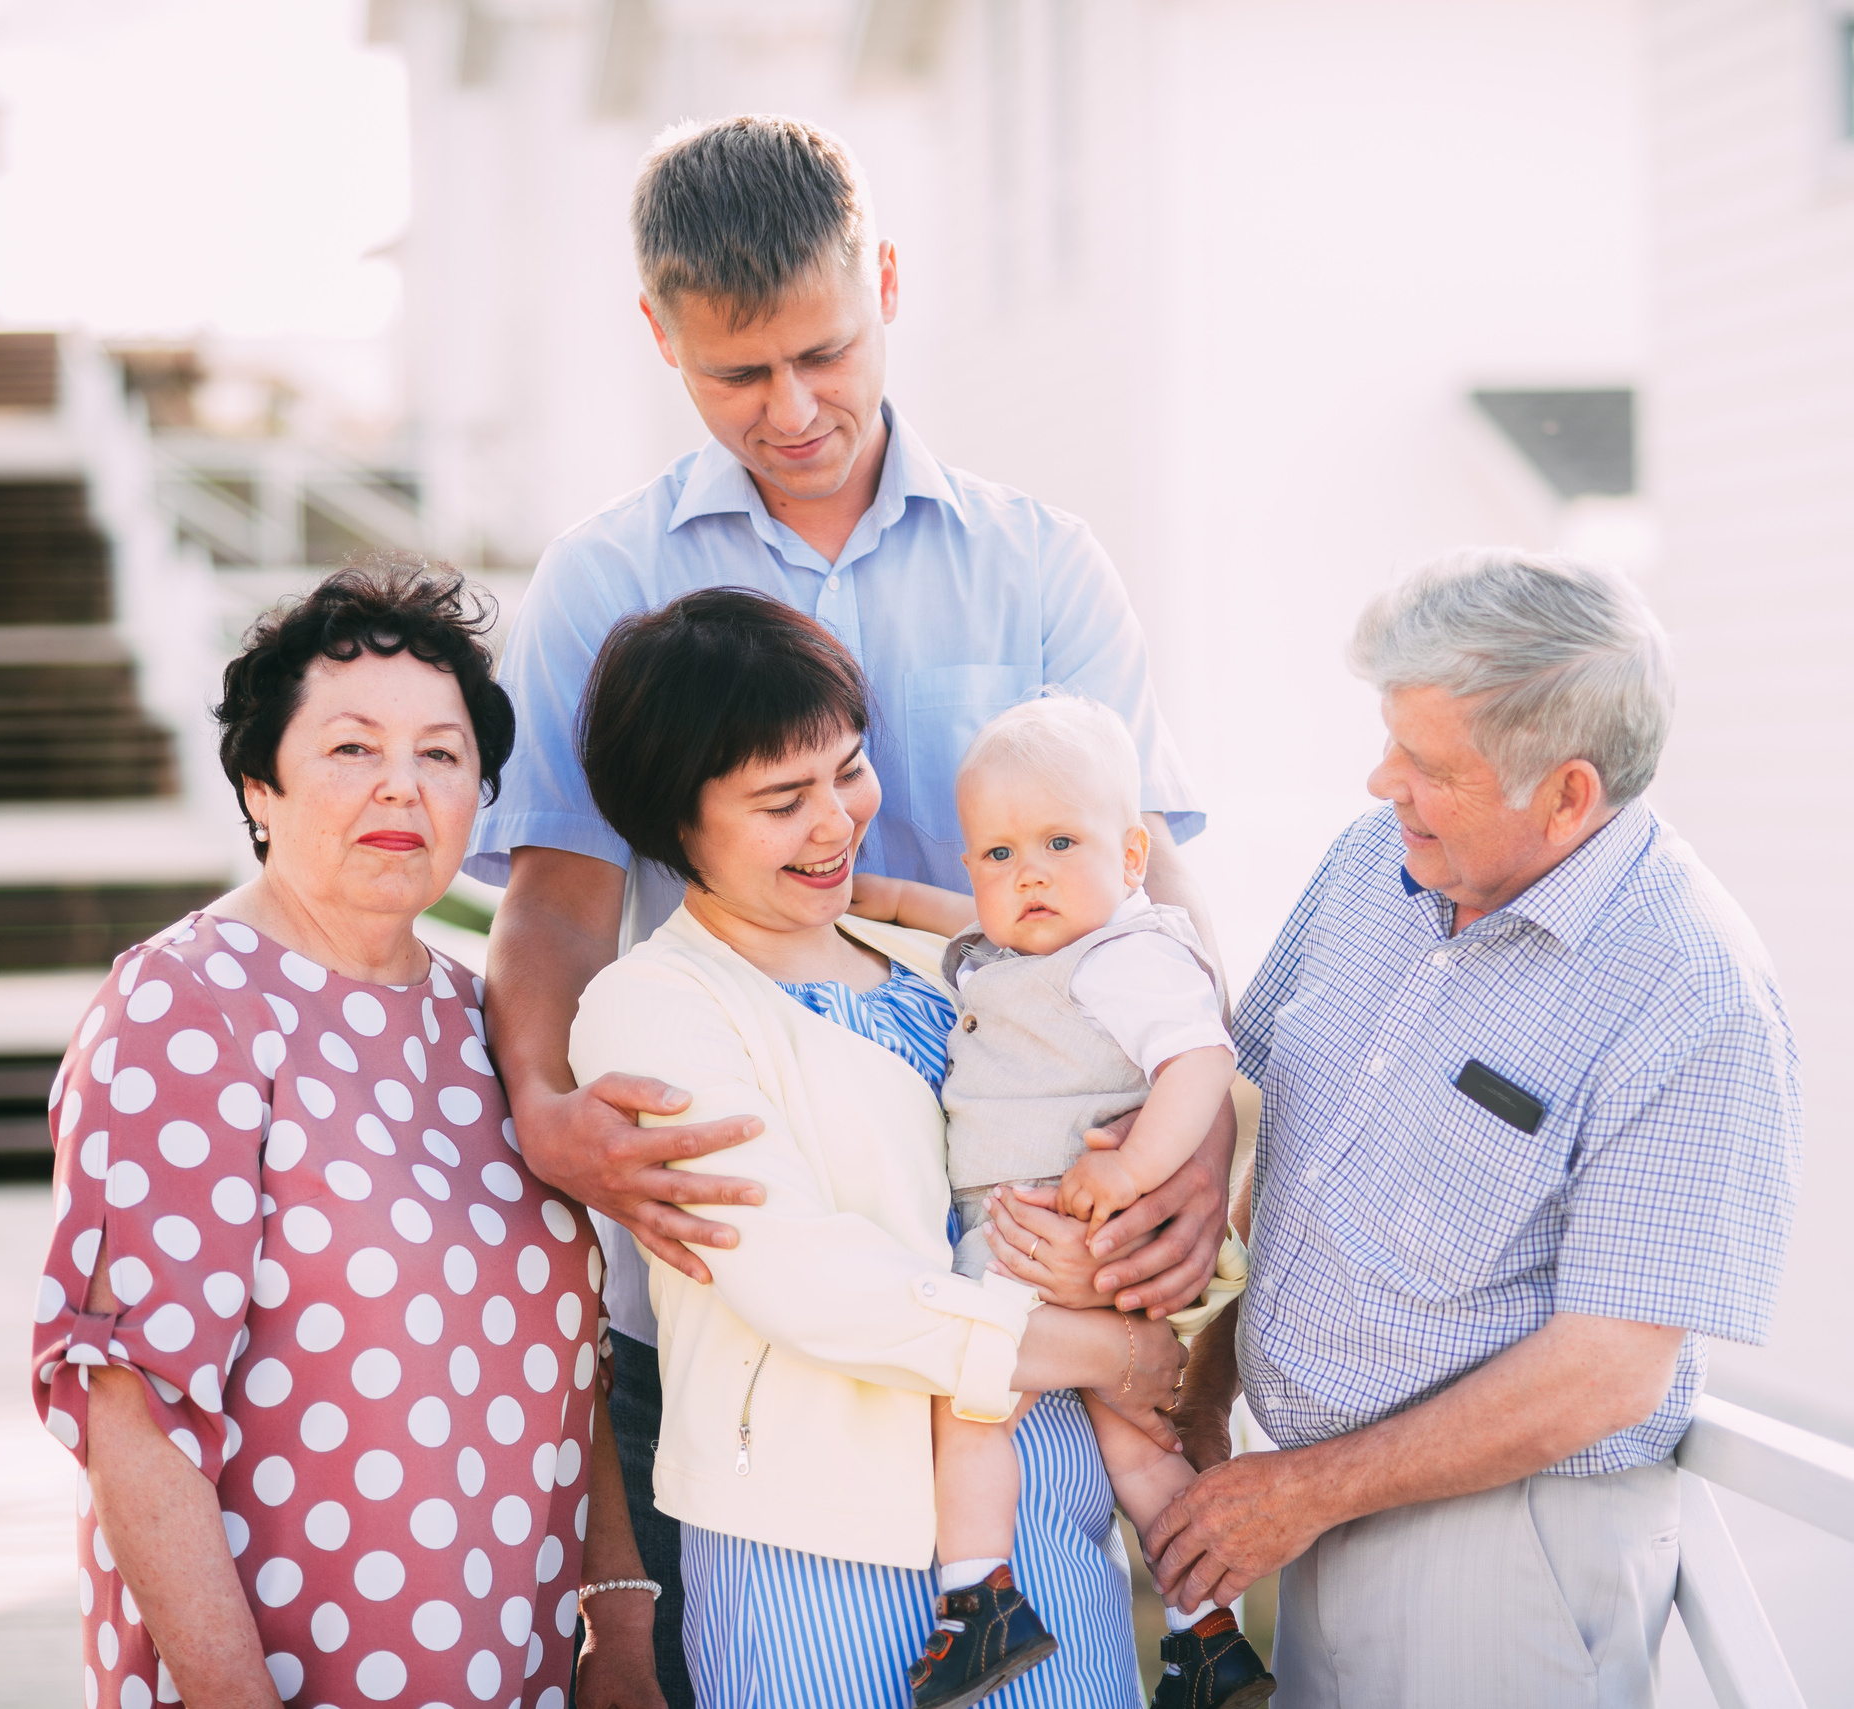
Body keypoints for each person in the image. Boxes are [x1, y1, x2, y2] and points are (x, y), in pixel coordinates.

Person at [469, 114, 1234, 1704]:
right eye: (736, 376)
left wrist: (1208, 1122)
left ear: (886, 282)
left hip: (1025, 1262)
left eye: (828, 351)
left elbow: (1151, 886)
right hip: (742, 1304)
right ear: (658, 337)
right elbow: (551, 897)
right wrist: (542, 1111)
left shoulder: (1043, 567)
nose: (794, 411)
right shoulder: (601, 577)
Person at [1146, 550, 1803, 1708]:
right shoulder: (1372, 863)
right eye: (1390, 738)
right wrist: (1213, 1373)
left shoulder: (1691, 991)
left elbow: (1606, 1374)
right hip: (1307, 1513)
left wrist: (1307, 1490)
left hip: (1504, 1558)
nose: (1378, 780)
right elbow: (1285, 1150)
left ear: (1567, 796)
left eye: (1428, 765)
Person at [29, 561, 659, 1709]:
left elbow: (581, 1370)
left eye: (442, 753)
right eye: (352, 748)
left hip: (513, 1671)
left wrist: (618, 1625)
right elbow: (135, 1416)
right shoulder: (190, 1007)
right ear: (258, 783)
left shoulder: (491, 1022)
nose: (401, 789)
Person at [564, 589, 1179, 1708]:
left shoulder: (950, 953)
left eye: (847, 769)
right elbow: (813, 1281)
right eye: (781, 798)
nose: (836, 821)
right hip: (815, 1535)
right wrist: (1110, 1353)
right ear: (676, 821)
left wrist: (1152, 1246)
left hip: (1036, 1502)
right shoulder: (652, 1006)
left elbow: (1131, 1108)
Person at [855, 695, 1272, 1709]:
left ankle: (978, 1598)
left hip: (1056, 1242)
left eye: (1056, 841)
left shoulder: (1126, 956)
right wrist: (853, 893)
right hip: (1057, 1250)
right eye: (995, 855)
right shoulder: (1021, 946)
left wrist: (1129, 1175)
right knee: (1137, 1446)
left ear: (1132, 855)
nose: (1026, 872)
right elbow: (931, 909)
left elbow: (1201, 1055)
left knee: (967, 1407)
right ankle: (1207, 1634)